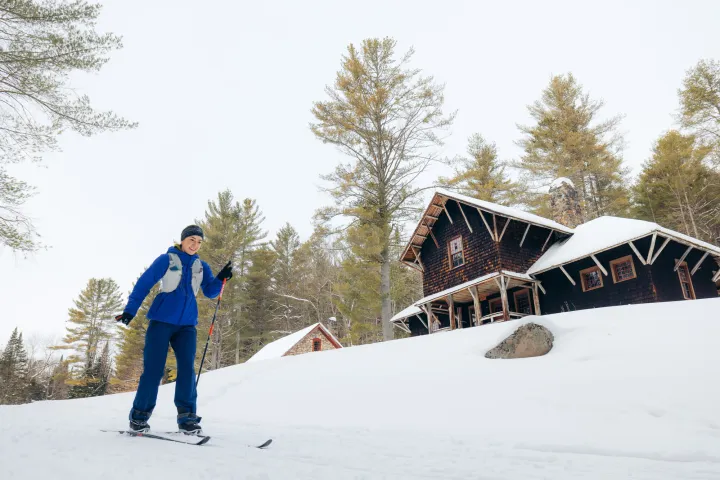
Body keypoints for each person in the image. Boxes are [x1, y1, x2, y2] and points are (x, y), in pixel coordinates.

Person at [114, 225, 233, 435]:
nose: (195, 245)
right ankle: (139, 417)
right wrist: (130, 310)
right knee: (153, 371)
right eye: (192, 240)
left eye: (199, 242)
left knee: (187, 370)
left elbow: (211, 292)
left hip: (187, 326)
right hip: (161, 322)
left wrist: (221, 278)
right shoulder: (166, 260)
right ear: (182, 240)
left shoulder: (201, 266)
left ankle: (187, 418)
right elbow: (144, 284)